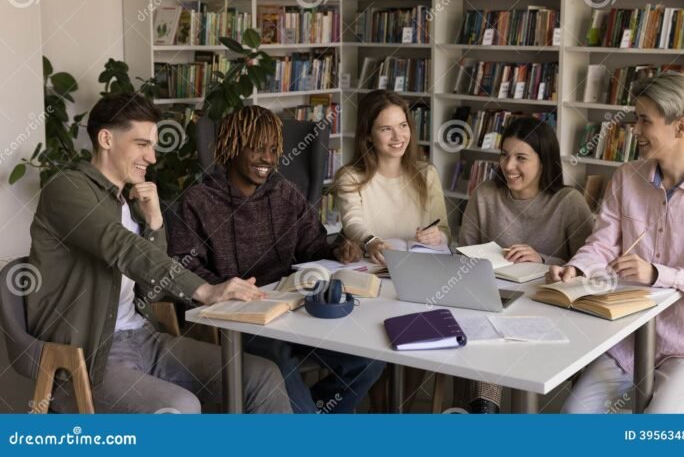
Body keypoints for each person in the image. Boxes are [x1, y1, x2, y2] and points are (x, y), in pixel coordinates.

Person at [25, 93, 291, 414]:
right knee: (181, 407)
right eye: (141, 144)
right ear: (106, 138)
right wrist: (205, 290)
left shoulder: (130, 200)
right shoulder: (67, 188)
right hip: (90, 354)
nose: (151, 157)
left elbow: (152, 289)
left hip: (143, 337)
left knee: (261, 375)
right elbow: (120, 246)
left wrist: (153, 221)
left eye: (152, 146)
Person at [551, 71, 684, 413]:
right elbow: (602, 244)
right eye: (635, 118)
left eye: (645, 121)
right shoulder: (626, 177)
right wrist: (577, 266)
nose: (635, 129)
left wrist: (659, 274)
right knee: (573, 416)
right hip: (628, 338)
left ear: (680, 126)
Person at [169, 105, 385, 414]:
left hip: (295, 308)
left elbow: (313, 247)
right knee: (278, 358)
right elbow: (183, 266)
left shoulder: (286, 193)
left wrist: (337, 250)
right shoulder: (198, 201)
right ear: (232, 146)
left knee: (369, 358)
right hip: (242, 318)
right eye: (257, 149)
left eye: (273, 149)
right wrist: (225, 286)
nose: (268, 159)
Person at [452, 117, 594, 413]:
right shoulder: (485, 195)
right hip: (497, 302)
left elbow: (588, 265)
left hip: (551, 306)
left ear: (544, 161)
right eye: (504, 155)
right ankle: (485, 409)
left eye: (521, 158)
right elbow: (462, 254)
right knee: (489, 328)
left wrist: (543, 259)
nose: (508, 165)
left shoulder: (569, 201)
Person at [335, 89, 450, 411]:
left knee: (419, 343)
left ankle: (402, 413)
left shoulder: (427, 174)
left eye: (403, 125)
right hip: (373, 282)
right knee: (376, 348)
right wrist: (371, 241)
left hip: (418, 280)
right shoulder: (351, 177)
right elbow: (353, 222)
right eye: (386, 128)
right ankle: (381, 414)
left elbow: (445, 231)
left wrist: (435, 236)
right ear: (369, 135)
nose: (398, 136)